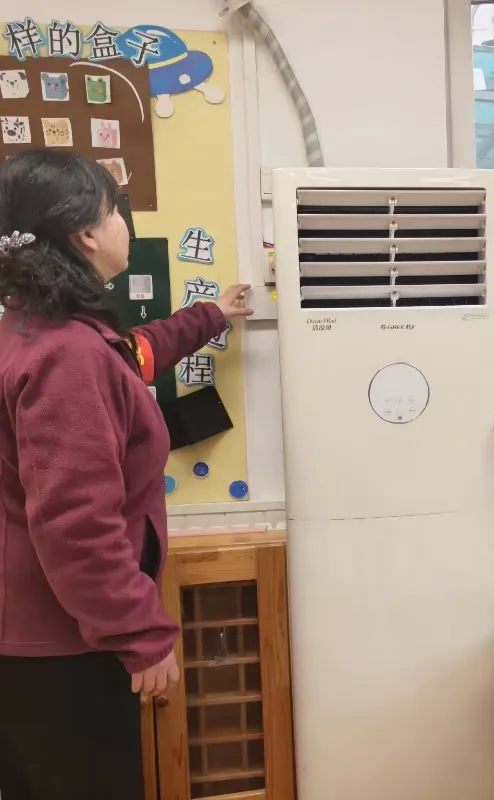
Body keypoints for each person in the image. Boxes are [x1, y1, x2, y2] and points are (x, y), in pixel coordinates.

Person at [0, 150, 253, 799]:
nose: (124, 225)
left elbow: (135, 355)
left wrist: (211, 314)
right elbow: (75, 525)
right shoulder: (66, 354)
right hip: (66, 648)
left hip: (37, 637)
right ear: (86, 232)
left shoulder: (38, 331)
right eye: (115, 211)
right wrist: (139, 632)